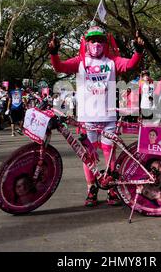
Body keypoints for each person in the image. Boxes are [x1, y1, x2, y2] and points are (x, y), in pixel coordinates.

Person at [49, 25, 144, 207]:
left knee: (110, 154)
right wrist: (54, 53)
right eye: (92, 40)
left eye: (100, 40)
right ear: (86, 42)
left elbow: (130, 63)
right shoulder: (80, 62)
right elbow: (59, 66)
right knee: (88, 156)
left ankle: (111, 189)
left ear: (105, 43)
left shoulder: (112, 61)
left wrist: (138, 51)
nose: (96, 43)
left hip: (108, 117)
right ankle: (91, 189)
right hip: (87, 118)